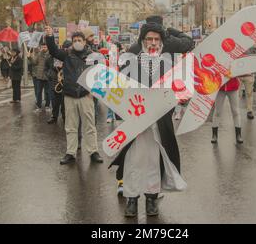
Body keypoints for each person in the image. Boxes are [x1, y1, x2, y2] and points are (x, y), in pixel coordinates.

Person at [111, 22, 191, 217]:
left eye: (156, 39)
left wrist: (183, 99)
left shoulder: (169, 65)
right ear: (143, 41)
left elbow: (178, 91)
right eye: (149, 39)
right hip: (136, 122)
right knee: (133, 161)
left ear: (161, 42)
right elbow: (119, 92)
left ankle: (151, 199)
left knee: (154, 161)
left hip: (159, 122)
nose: (153, 43)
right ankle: (131, 199)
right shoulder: (130, 63)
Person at [45, 26, 104, 165]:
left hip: (86, 95)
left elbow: (99, 74)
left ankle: (93, 151)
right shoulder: (67, 54)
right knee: (70, 126)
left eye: (79, 40)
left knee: (90, 125)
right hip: (70, 95)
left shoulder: (92, 55)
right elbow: (53, 50)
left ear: (84, 42)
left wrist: (94, 92)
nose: (77, 42)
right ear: (72, 42)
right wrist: (49, 36)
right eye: (75, 40)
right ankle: (70, 153)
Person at [211, 77, 243, 144]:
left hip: (233, 86)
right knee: (217, 112)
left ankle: (238, 135)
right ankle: (214, 135)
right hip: (220, 87)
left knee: (235, 111)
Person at [28, 42, 51, 112]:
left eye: (45, 47)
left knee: (47, 92)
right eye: (42, 47)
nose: (44, 48)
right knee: (38, 92)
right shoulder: (39, 54)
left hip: (47, 77)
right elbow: (34, 62)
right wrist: (29, 57)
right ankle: (39, 106)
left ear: (47, 47)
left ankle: (47, 106)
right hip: (39, 77)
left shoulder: (50, 55)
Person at [45, 50, 65, 124]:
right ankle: (54, 116)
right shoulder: (49, 59)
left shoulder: (63, 58)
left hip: (63, 83)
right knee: (54, 102)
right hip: (53, 83)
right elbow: (45, 69)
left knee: (64, 102)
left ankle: (64, 116)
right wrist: (49, 75)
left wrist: (62, 68)